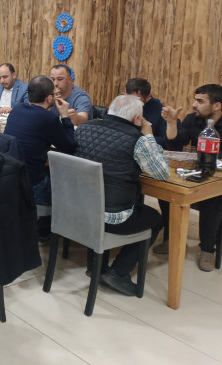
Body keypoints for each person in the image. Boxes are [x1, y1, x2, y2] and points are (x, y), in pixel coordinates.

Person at [75, 95, 168, 295]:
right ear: (137, 119)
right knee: (155, 219)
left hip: (79, 209)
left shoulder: (84, 128)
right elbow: (161, 173)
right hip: (110, 217)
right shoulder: (137, 140)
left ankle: (96, 268)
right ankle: (118, 272)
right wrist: (149, 135)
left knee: (102, 196)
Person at [159, 84, 222, 271]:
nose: (194, 105)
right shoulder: (193, 119)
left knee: (212, 199)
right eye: (195, 100)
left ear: (216, 106)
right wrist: (171, 122)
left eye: (200, 101)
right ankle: (171, 238)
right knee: (166, 193)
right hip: (197, 172)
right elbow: (174, 145)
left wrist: (199, 156)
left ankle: (207, 250)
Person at [4, 75, 76, 240]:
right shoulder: (48, 118)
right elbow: (69, 146)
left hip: (11, 180)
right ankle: (45, 231)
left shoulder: (17, 110)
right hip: (33, 186)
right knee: (65, 183)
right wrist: (65, 116)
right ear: (49, 98)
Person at [125, 78, 167, 146]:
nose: (130, 101)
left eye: (135, 99)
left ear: (148, 97)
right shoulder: (122, 104)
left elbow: (165, 141)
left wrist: (139, 139)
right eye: (128, 97)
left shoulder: (162, 110)